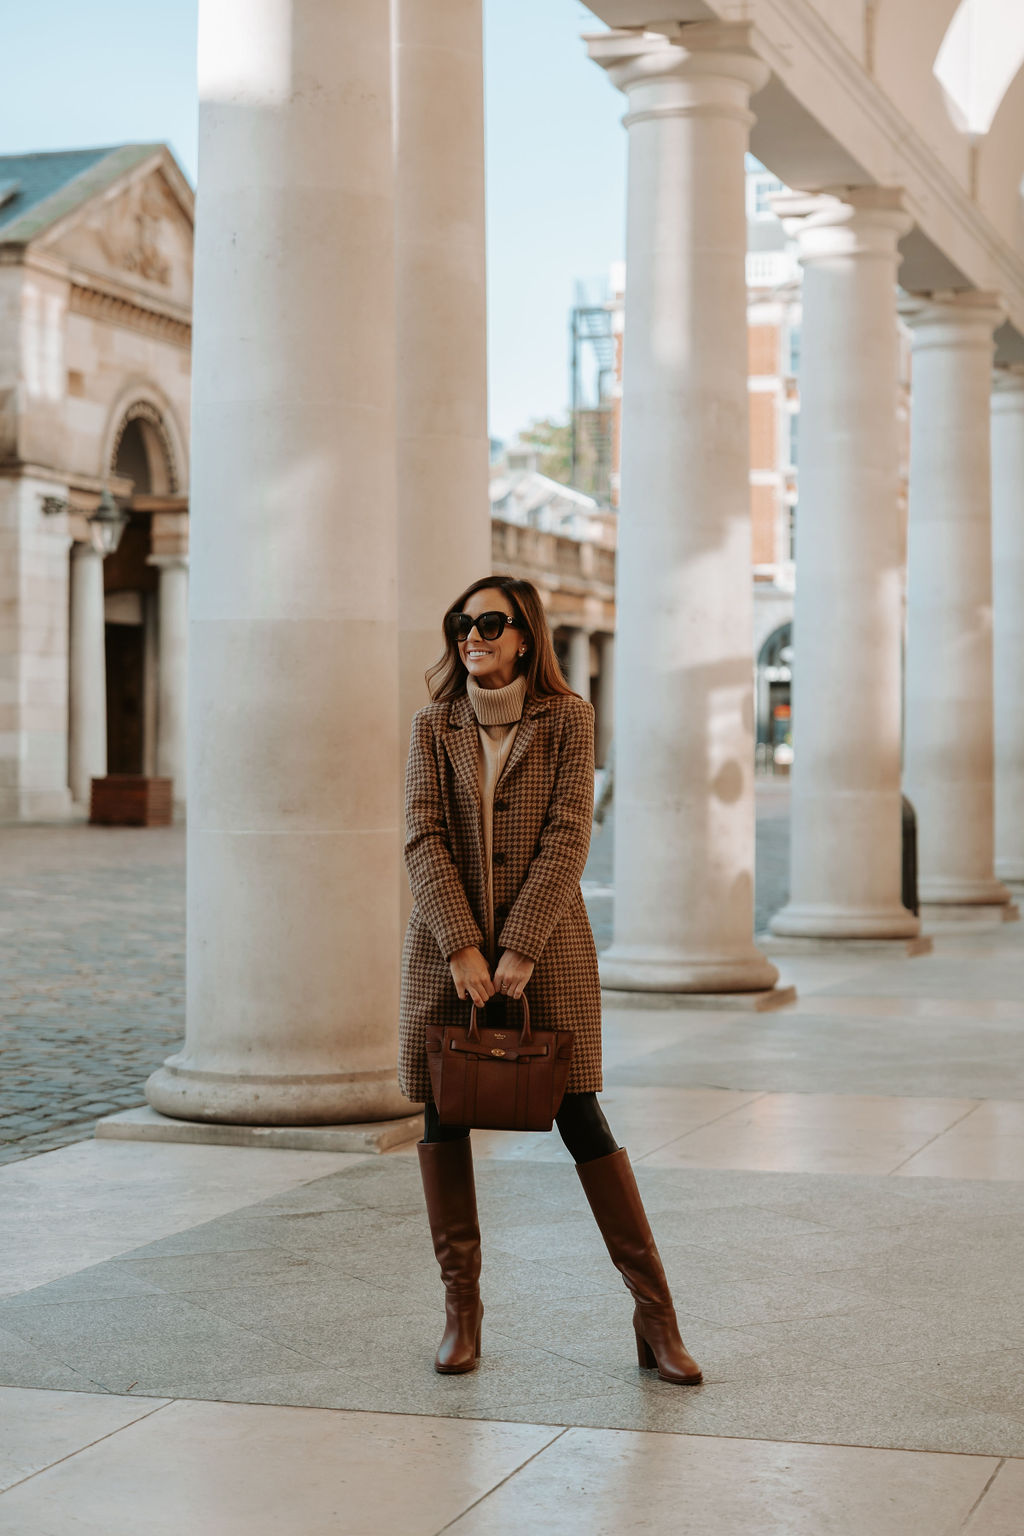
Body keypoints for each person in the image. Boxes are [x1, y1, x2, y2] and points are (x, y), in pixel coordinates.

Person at [399, 575, 702, 1386]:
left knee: (583, 1121)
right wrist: (464, 946)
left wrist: (520, 948)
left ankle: (655, 1317)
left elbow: (571, 834)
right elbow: (422, 838)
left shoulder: (568, 719)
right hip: (444, 959)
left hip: (549, 959)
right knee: (444, 1118)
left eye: (491, 624)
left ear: (527, 635)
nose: (474, 637)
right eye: (462, 623)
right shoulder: (434, 726)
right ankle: (461, 1312)